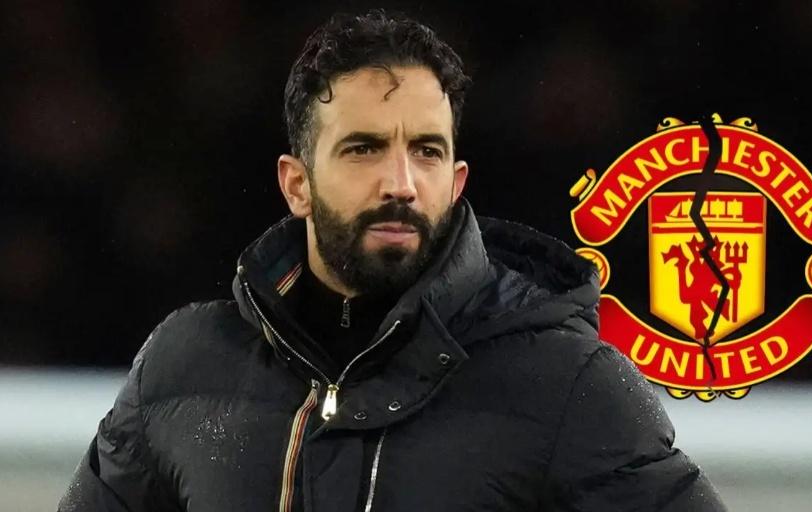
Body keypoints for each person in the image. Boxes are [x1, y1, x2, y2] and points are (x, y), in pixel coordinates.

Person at [58, 8, 727, 511]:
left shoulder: (567, 384)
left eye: (426, 151)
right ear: (296, 184)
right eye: (363, 149)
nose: (400, 183)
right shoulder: (182, 367)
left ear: (456, 183)